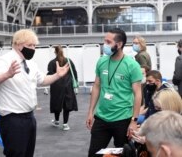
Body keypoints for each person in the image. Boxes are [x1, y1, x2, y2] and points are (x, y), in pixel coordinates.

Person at [0, 29, 69, 157]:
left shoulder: (30, 63)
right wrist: (7, 74)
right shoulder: (6, 60)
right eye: (29, 45)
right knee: (16, 154)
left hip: (29, 117)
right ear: (18, 44)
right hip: (12, 120)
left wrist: (57, 75)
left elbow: (43, 80)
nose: (33, 49)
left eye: (34, 45)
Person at [86, 28, 142, 157]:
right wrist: (90, 112)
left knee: (124, 154)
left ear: (119, 44)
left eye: (108, 42)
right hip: (101, 118)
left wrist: (134, 120)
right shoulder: (101, 61)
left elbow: (138, 94)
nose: (104, 45)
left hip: (123, 119)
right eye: (104, 41)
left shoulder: (132, 65)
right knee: (93, 154)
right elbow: (96, 86)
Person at [47, 45, 78, 131]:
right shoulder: (68, 61)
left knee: (57, 103)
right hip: (68, 86)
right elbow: (74, 72)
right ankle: (65, 124)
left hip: (56, 86)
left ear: (55, 52)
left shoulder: (52, 62)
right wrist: (76, 84)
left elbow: (50, 75)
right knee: (66, 104)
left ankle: (56, 121)